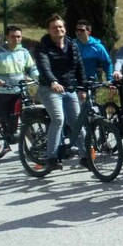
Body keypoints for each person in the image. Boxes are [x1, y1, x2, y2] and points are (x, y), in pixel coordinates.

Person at [0, 25, 38, 168]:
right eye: (13, 36)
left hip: (20, 92)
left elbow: (31, 68)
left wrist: (39, 78)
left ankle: (36, 148)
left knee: (27, 120)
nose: (16, 39)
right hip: (2, 93)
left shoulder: (23, 52)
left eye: (19, 36)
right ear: (6, 37)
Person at [34, 14, 87, 171]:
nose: (58, 29)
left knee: (77, 122)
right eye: (54, 27)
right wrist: (53, 82)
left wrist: (83, 87)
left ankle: (85, 156)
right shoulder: (43, 46)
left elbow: (79, 67)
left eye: (60, 26)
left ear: (64, 28)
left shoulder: (72, 45)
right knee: (58, 119)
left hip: (69, 88)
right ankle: (52, 157)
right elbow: (44, 67)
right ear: (49, 31)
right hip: (49, 88)